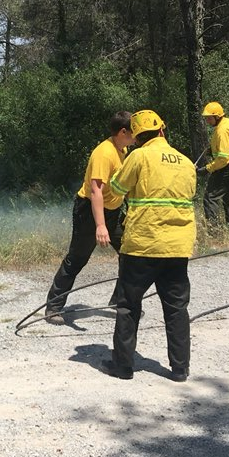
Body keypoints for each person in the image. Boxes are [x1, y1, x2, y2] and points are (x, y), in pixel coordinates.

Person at [100, 110, 196, 382]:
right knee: (176, 308)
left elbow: (116, 188)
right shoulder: (186, 162)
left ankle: (123, 367)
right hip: (177, 247)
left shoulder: (138, 156)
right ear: (162, 131)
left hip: (142, 245)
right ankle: (180, 369)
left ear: (138, 137)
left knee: (129, 305)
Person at [44, 111, 137, 324]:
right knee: (77, 259)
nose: (137, 136)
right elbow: (96, 191)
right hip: (90, 211)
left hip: (112, 211)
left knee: (129, 253)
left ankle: (118, 301)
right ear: (123, 131)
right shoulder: (104, 153)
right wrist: (101, 226)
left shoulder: (121, 150)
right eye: (134, 131)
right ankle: (53, 307)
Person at [200, 102, 229, 230]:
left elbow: (223, 157)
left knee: (210, 197)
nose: (207, 120)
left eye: (209, 117)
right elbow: (226, 146)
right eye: (206, 118)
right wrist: (212, 150)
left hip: (227, 167)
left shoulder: (221, 130)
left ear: (217, 116)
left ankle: (214, 231)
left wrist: (207, 168)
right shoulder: (227, 122)